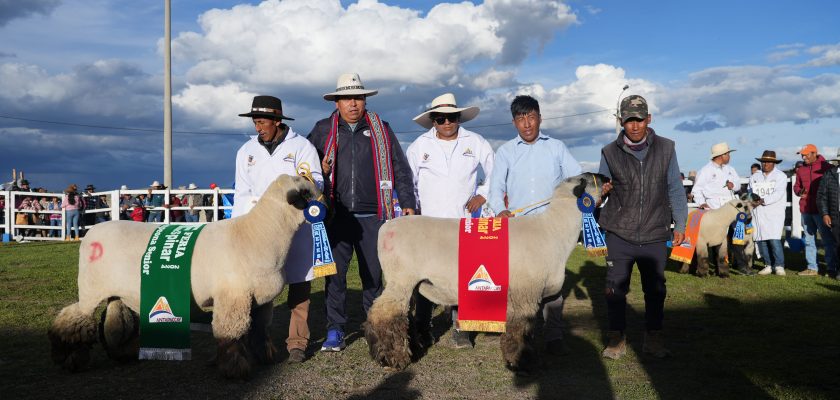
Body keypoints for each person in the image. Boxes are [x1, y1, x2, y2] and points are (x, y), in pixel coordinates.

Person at [308, 73, 416, 352]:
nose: (353, 104)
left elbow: (401, 168)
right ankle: (335, 329)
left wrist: (408, 202)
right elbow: (304, 167)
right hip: (337, 215)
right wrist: (320, 169)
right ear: (337, 102)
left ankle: (375, 326)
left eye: (357, 97)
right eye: (346, 98)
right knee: (335, 276)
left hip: (375, 216)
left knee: (373, 277)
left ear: (365, 100)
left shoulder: (382, 129)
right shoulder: (322, 130)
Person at [488, 95, 581, 355]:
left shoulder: (557, 147)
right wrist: (501, 210)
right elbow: (495, 189)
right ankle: (521, 333)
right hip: (519, 231)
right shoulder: (506, 151)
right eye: (520, 118)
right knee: (520, 284)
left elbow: (575, 180)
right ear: (514, 122)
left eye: (531, 117)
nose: (527, 124)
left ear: (540, 117)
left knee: (553, 283)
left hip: (550, 230)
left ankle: (553, 335)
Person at [234, 95, 324, 363]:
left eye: (262, 121)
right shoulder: (246, 151)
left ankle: (297, 341)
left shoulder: (301, 147)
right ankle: (258, 339)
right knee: (259, 285)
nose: (257, 127)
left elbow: (314, 180)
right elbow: (242, 191)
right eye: (255, 122)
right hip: (257, 231)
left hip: (294, 227)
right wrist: (241, 227)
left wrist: (299, 201)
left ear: (276, 121)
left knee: (299, 283)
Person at [597, 94, 687, 360]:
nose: (634, 126)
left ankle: (654, 338)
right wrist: (600, 190)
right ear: (621, 122)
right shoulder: (608, 152)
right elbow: (600, 189)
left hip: (656, 232)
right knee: (614, 290)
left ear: (649, 119)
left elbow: (675, 188)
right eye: (628, 120)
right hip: (619, 232)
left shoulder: (667, 148)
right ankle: (616, 339)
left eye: (639, 119)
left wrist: (680, 222)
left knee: (656, 289)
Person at [406, 92, 494, 349]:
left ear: (458, 117)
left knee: (464, 276)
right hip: (429, 225)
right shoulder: (419, 146)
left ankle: (461, 329)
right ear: (432, 120)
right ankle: (422, 327)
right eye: (440, 118)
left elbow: (494, 172)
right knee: (425, 276)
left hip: (462, 222)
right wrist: (411, 210)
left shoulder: (476, 142)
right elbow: (408, 183)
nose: (446, 123)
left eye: (451, 117)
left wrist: (482, 193)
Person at [794, 144, 837, 276]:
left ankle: (831, 267)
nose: (803, 156)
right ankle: (812, 267)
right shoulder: (800, 170)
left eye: (806, 154)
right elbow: (796, 187)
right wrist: (799, 191)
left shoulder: (827, 168)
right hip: (806, 209)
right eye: (802, 154)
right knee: (809, 240)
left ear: (814, 153)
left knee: (827, 240)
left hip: (822, 211)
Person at [749, 151, 788, 276]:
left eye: (768, 162)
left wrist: (763, 200)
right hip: (758, 212)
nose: (765, 164)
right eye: (763, 161)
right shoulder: (755, 176)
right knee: (761, 239)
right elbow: (750, 191)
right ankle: (768, 264)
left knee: (774, 238)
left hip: (774, 212)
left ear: (774, 163)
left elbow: (778, 193)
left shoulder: (780, 176)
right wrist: (752, 200)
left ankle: (779, 265)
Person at [691, 142, 740, 210]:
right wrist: (702, 203)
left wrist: (733, 185)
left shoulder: (731, 169)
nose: (729, 156)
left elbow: (738, 185)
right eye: (728, 154)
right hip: (714, 207)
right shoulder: (705, 171)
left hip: (731, 206)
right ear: (722, 155)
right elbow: (696, 190)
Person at [817, 157, 840, 279]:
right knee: (837, 243)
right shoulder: (829, 174)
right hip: (836, 214)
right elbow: (821, 196)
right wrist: (825, 214)